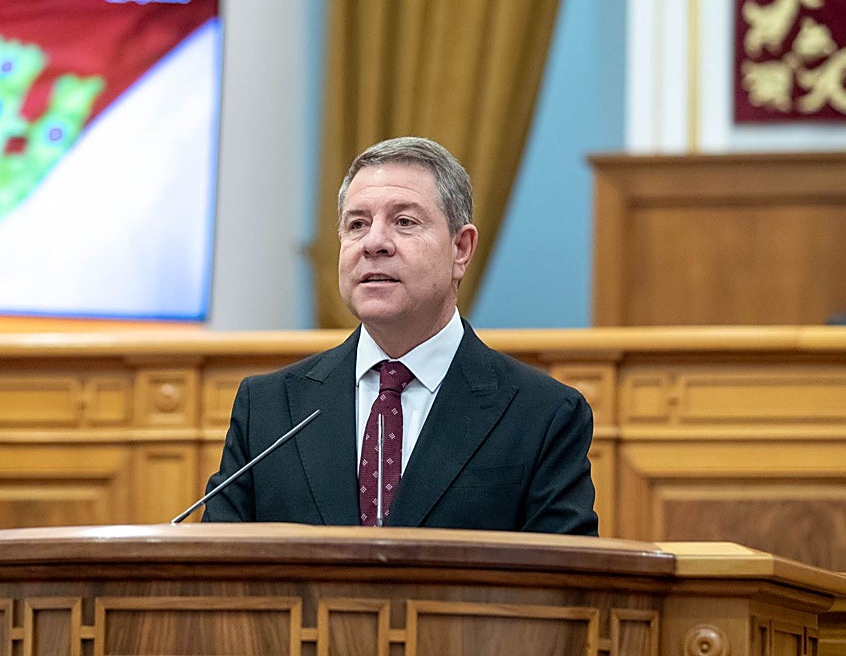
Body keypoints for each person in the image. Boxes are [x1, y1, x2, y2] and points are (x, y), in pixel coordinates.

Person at [202, 136, 598, 534]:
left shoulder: (543, 414)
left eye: (404, 222)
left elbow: (567, 584)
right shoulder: (269, 409)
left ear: (461, 249)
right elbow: (216, 573)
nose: (374, 242)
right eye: (357, 224)